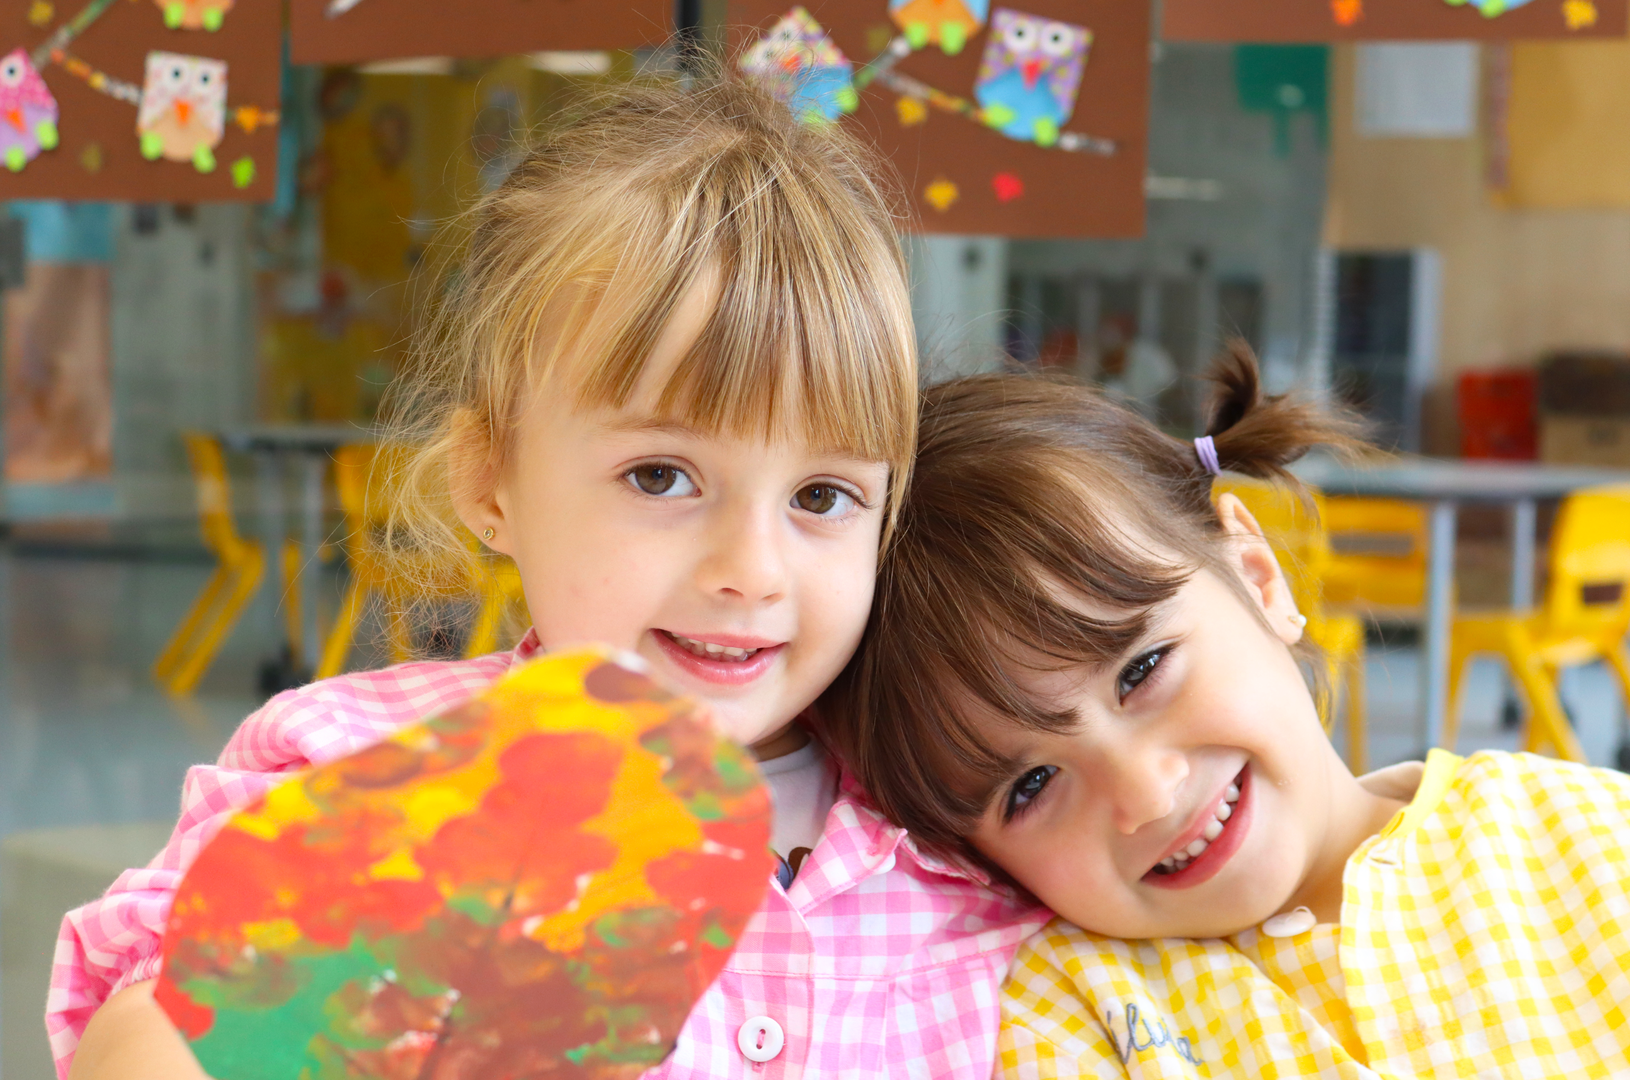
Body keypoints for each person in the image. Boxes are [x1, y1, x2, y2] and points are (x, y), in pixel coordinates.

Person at [51, 78, 1044, 1080]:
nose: (752, 569)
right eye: (661, 476)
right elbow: (155, 1041)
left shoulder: (969, 811)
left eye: (823, 497)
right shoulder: (373, 769)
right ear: (489, 480)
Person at [818, 341, 1630, 1077]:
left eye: (1142, 669)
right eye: (1031, 784)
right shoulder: (1072, 1019)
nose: (1145, 790)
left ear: (1257, 575)